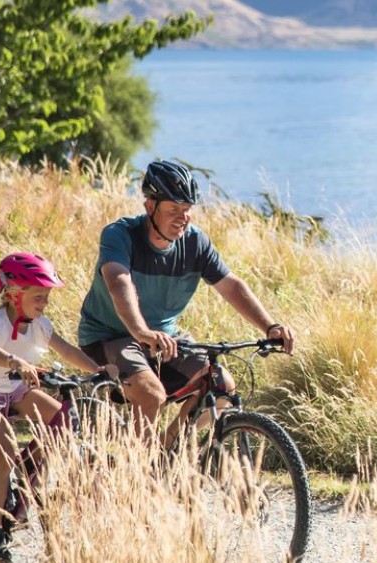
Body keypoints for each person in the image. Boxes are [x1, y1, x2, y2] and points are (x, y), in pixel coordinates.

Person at [75, 160, 295, 442]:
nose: (183, 217)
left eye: (187, 209)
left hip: (164, 339)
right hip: (108, 337)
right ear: (150, 207)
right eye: (174, 210)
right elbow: (119, 282)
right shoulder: (121, 235)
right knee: (151, 394)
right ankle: (135, 471)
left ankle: (165, 453)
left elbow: (230, 286)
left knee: (222, 387)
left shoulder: (194, 242)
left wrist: (270, 326)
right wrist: (141, 331)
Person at [0, 252, 105, 563]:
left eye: (47, 297)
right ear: (13, 295)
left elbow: (67, 351)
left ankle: (29, 471)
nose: (45, 303)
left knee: (63, 421)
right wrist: (16, 362)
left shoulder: (40, 325)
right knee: (6, 453)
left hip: (17, 388)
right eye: (38, 296)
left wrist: (99, 371)